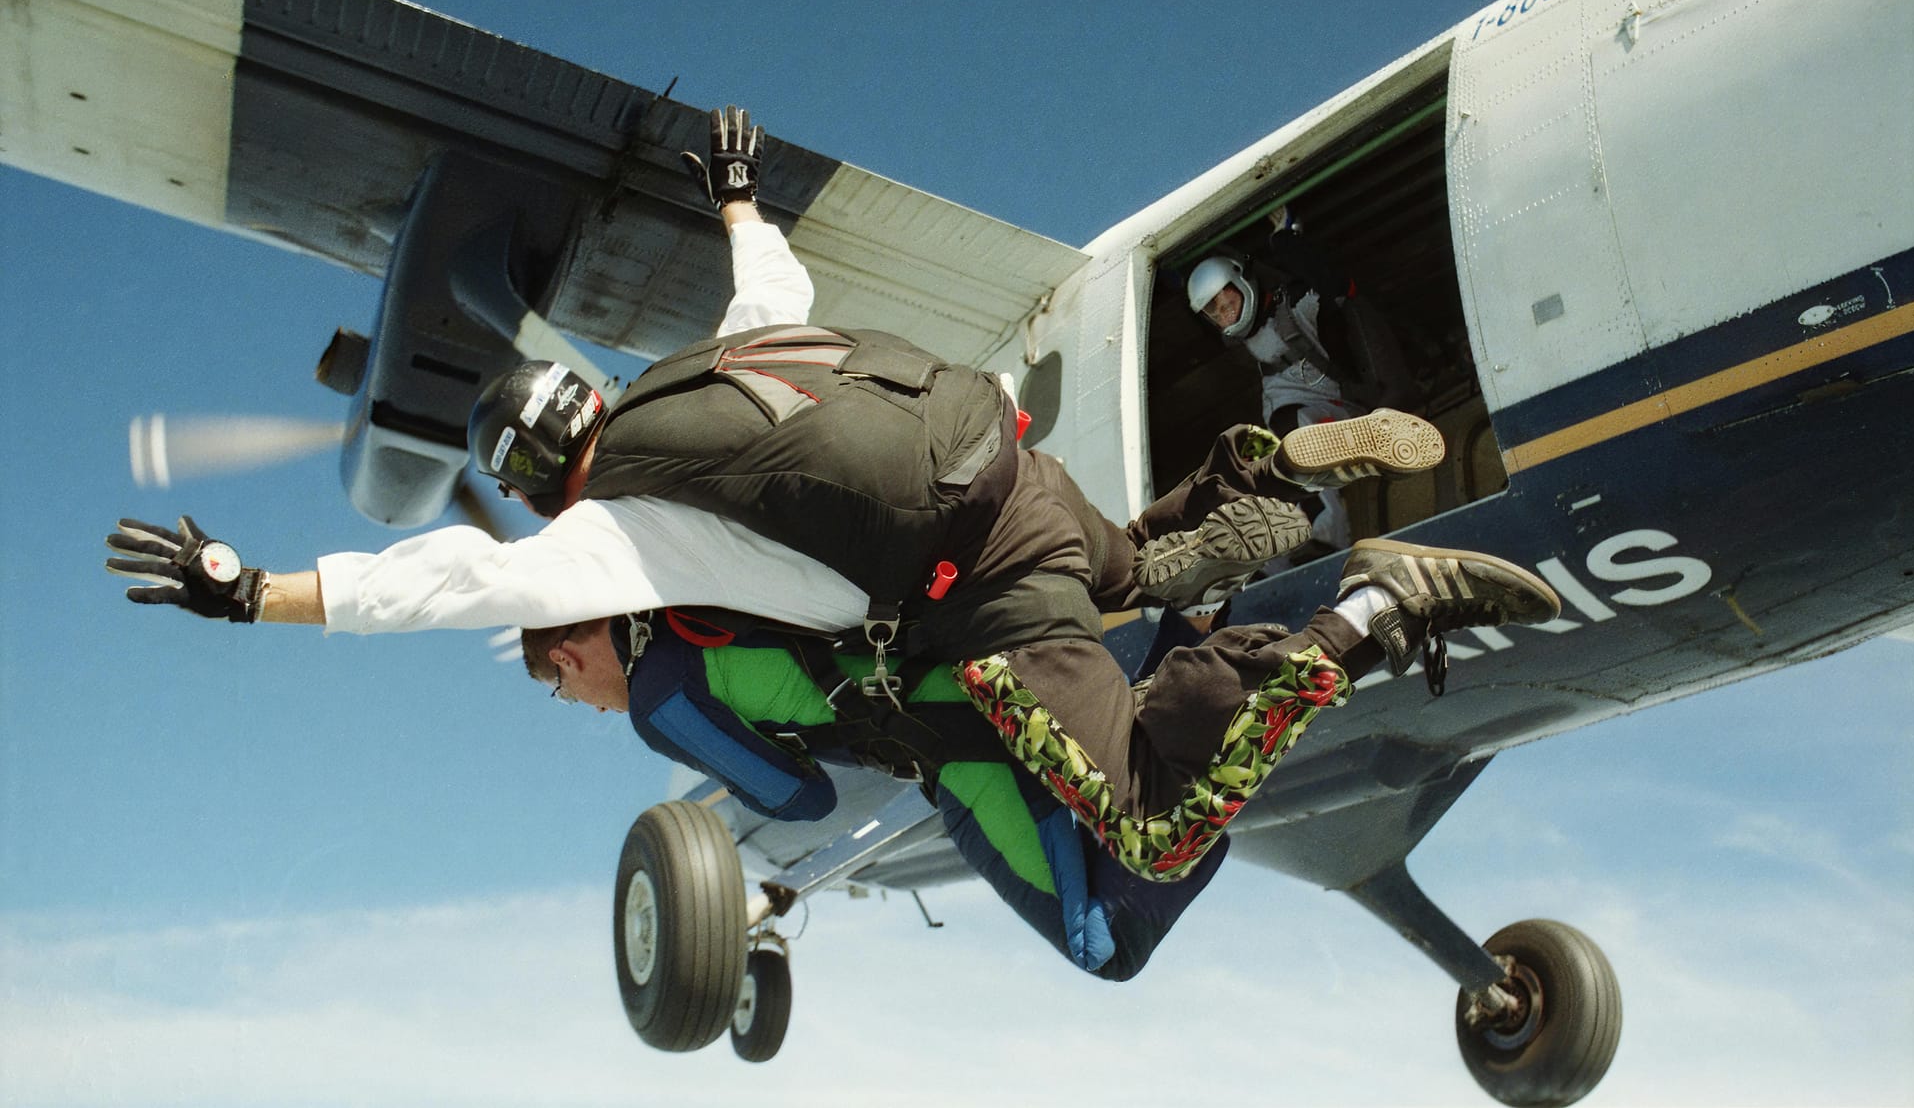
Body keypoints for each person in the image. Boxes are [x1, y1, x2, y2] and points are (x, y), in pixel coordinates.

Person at [106, 105, 1533, 892]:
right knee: (1144, 573)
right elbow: (773, 281)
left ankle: (1360, 609)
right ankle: (1268, 468)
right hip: (1018, 476)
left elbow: (449, 581)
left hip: (975, 596)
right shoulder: (715, 366)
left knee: (1152, 817)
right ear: (591, 403)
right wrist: (734, 188)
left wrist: (258, 591)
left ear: (550, 491)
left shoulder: (616, 532)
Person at [520, 534, 1559, 981]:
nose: (582, 699)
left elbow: (798, 799)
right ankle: (1193, 667)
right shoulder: (711, 577)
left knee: (1105, 937)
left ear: (569, 647)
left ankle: (1351, 619)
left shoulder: (658, 698)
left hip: (974, 750)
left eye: (563, 687)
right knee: (1164, 827)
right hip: (1010, 645)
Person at [1185, 206, 1430, 555]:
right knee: (1246, 462)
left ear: (1242, 284)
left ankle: (1326, 541)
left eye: (1230, 302)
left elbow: (1337, 286)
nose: (1227, 315)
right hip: (1293, 425)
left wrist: (1287, 242)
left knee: (1298, 439)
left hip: (1338, 414)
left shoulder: (1295, 305)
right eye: (1217, 313)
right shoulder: (1242, 342)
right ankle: (1274, 564)